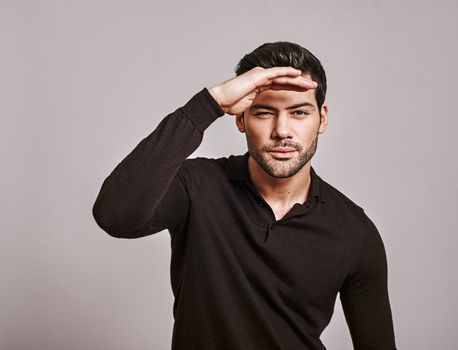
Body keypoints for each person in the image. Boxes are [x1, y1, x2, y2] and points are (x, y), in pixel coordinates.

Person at [92, 41, 397, 350]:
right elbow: (115, 216)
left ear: (323, 118)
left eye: (299, 113)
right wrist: (208, 104)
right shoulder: (197, 186)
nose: (282, 130)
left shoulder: (354, 232)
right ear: (240, 118)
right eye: (264, 113)